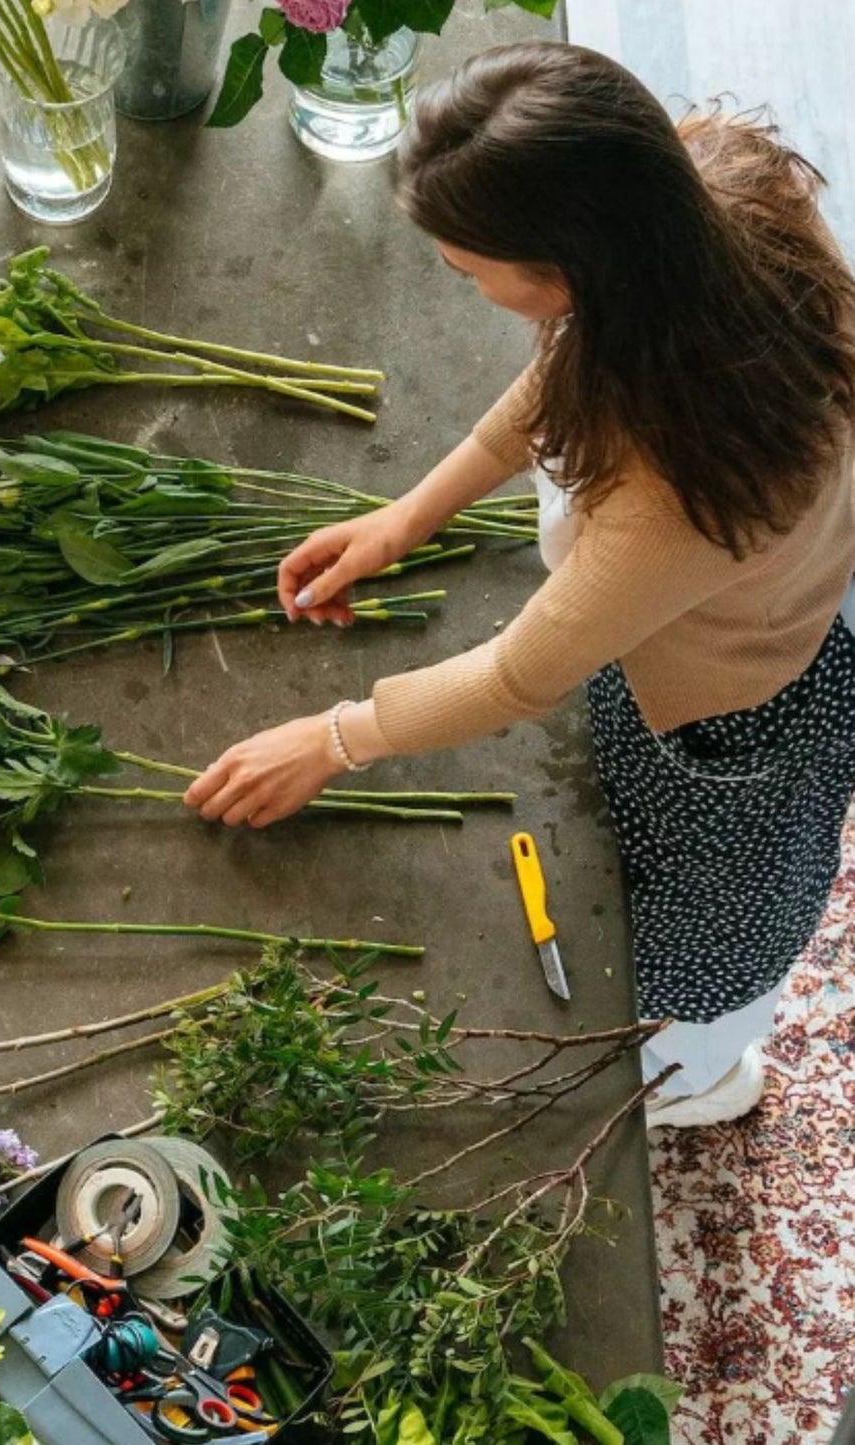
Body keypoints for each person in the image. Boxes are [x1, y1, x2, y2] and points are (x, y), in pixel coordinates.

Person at [183, 41, 855, 1129]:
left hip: (731, 714)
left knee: (696, 941)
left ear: (567, 272)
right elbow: (559, 375)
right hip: (717, 609)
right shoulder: (706, 194)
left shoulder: (682, 482)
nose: (459, 282)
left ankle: (704, 1075)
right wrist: (406, 516)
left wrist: (331, 738)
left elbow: (520, 671)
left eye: (467, 268)